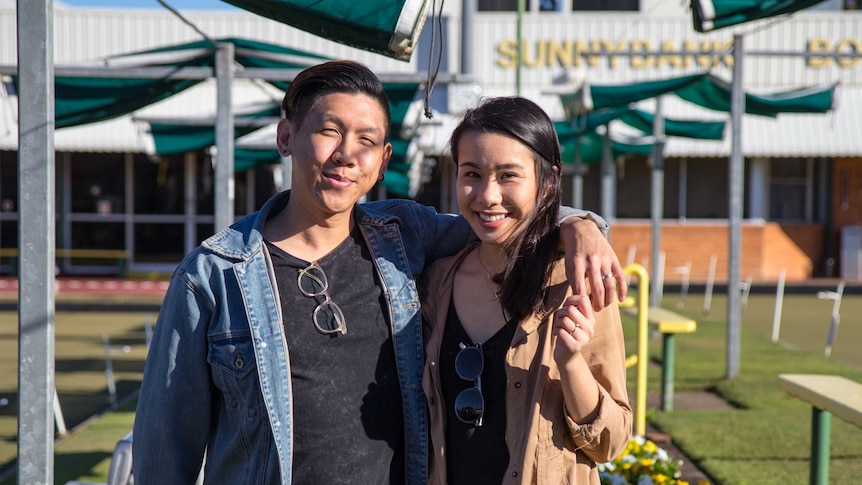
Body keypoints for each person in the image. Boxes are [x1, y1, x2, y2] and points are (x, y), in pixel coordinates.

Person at [132, 61, 624, 485]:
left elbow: (505, 216)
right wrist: (581, 224)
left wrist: (580, 225)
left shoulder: (406, 238)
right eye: (329, 131)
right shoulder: (212, 276)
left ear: (383, 160)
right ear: (286, 137)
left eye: (366, 140)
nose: (346, 153)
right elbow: (163, 452)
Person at [421, 97, 632, 485]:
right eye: (472, 174)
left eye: (508, 175)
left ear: (547, 180)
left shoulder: (575, 281)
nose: (487, 196)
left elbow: (611, 441)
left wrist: (570, 363)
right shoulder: (435, 282)